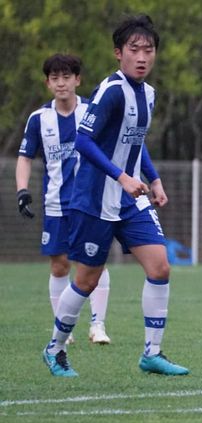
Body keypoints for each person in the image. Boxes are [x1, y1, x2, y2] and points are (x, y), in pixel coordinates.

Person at [41, 14, 189, 377]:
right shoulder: (111, 90)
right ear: (118, 53)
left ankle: (152, 354)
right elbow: (84, 140)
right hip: (93, 198)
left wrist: (153, 180)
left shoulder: (149, 94)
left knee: (160, 266)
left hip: (129, 198)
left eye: (148, 50)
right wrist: (122, 177)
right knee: (86, 280)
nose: (142, 57)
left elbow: (134, 142)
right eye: (134, 49)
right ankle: (55, 349)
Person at [17, 54, 114, 345]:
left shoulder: (91, 112)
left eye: (66, 77)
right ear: (48, 83)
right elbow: (25, 157)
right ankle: (65, 326)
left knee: (94, 261)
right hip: (55, 203)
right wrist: (22, 191)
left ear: (77, 80)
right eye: (55, 78)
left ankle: (98, 325)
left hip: (90, 201)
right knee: (60, 265)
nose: (61, 83)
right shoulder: (38, 119)